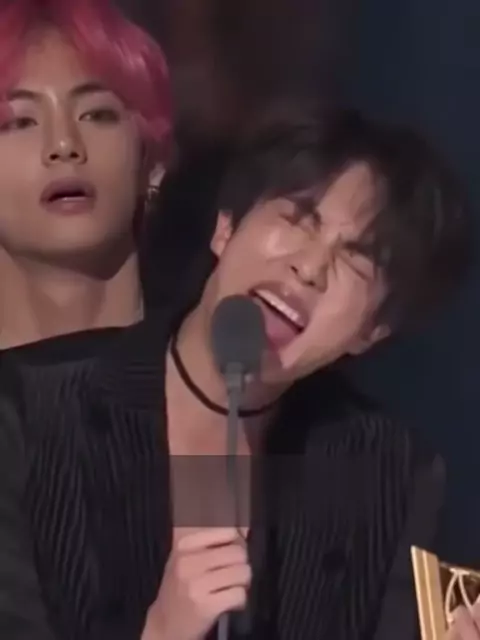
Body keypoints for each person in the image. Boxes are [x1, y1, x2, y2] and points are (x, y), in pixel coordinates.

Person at [5, 106, 471, 640]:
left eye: (357, 260)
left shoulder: (393, 473)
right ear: (226, 228)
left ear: (372, 332)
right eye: (298, 220)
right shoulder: (23, 412)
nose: (309, 268)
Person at [0, 0, 171, 349]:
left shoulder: (218, 368)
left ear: (152, 164)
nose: (64, 144)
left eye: (96, 114)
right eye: (20, 122)